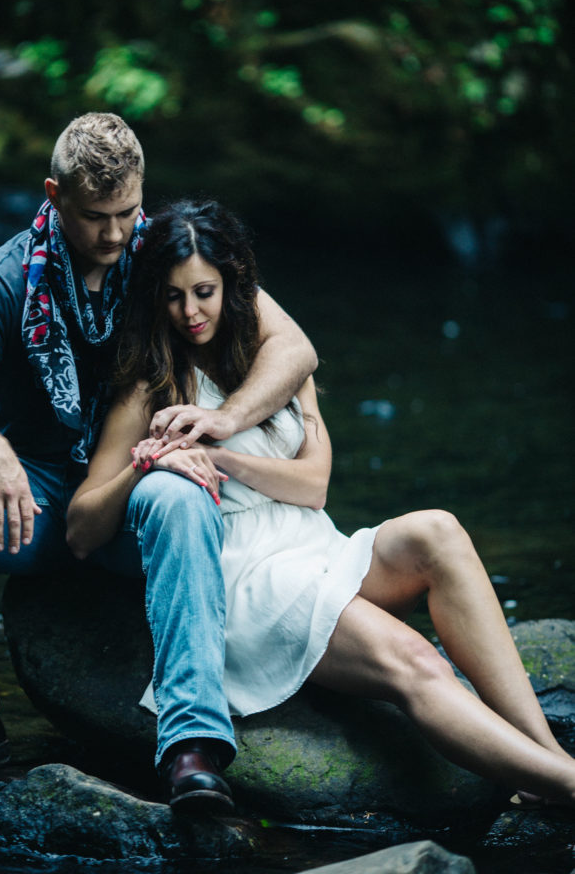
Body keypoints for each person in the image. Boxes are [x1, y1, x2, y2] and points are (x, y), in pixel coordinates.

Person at [67, 199, 575, 815]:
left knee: (438, 531)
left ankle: (545, 757)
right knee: (415, 660)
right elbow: (81, 529)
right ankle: (568, 782)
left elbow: (313, 487)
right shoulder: (151, 387)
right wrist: (146, 464)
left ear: (233, 287)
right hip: (250, 578)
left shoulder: (276, 364)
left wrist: (220, 455)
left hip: (315, 544)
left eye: (204, 292)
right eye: (173, 297)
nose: (190, 312)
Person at [0, 114, 317, 798]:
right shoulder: (3, 280)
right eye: (95, 217)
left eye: (127, 212)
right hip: (29, 508)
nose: (116, 234)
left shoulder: (164, 257)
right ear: (54, 195)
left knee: (182, 489)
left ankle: (192, 742)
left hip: (132, 498)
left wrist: (225, 418)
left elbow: (294, 348)